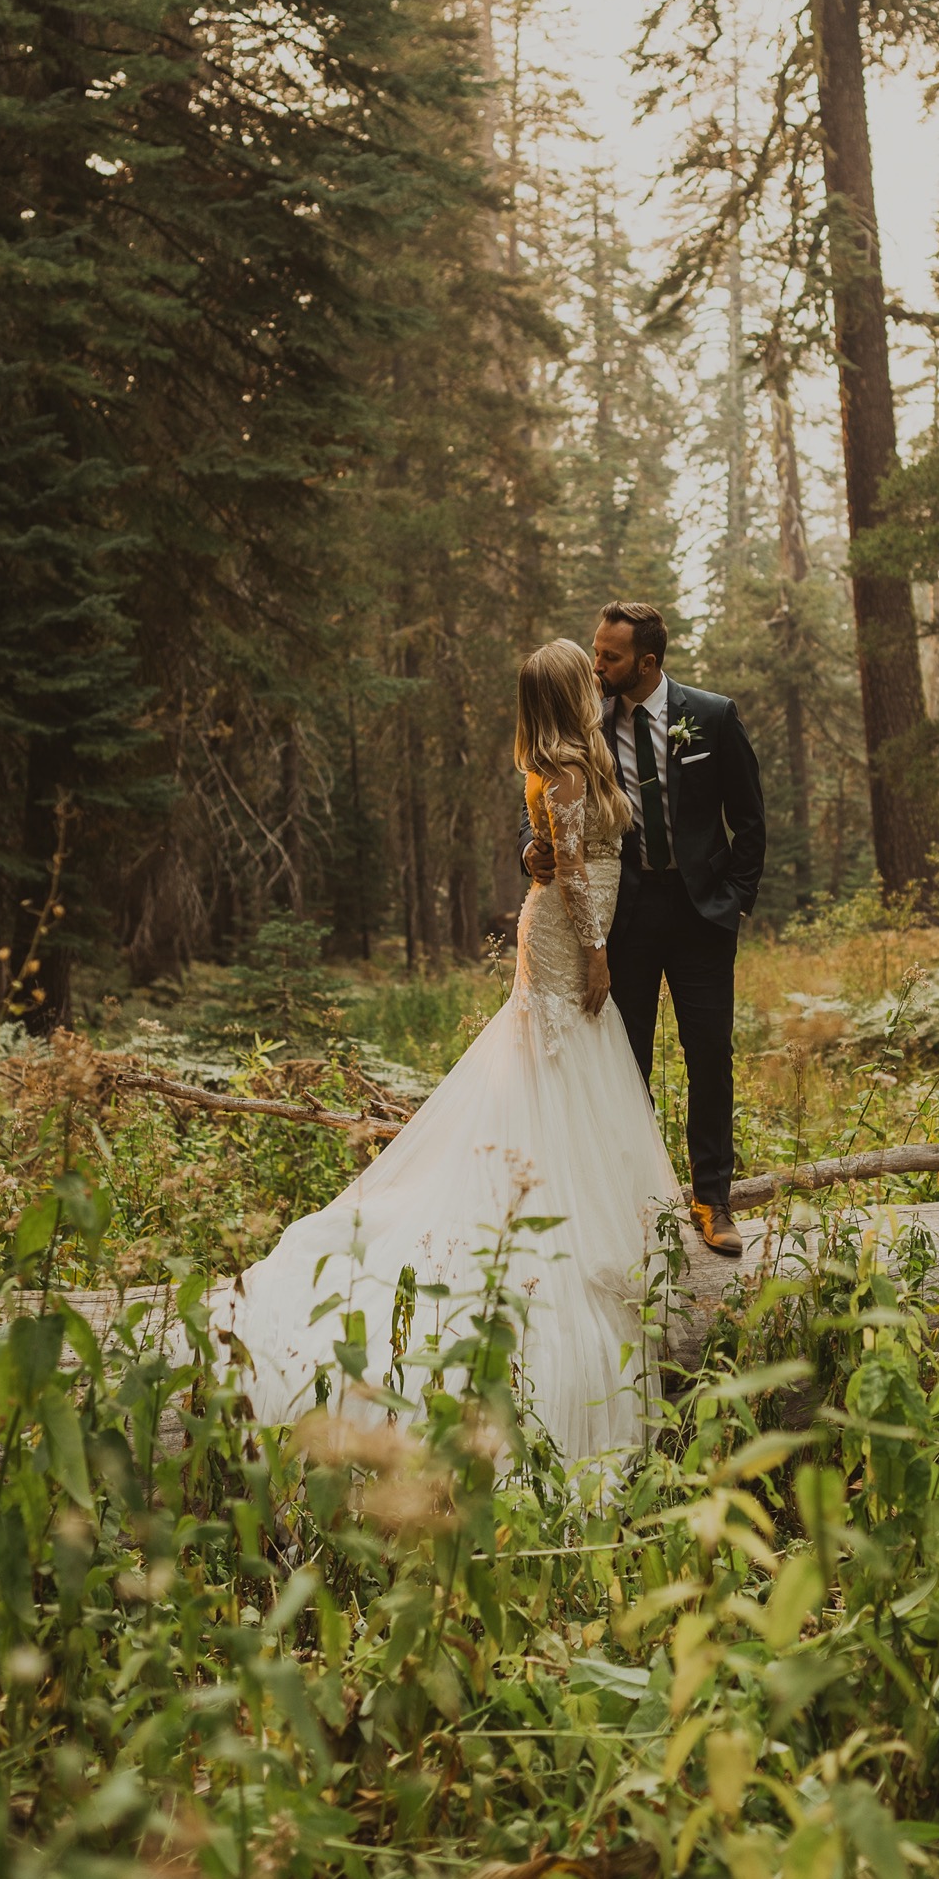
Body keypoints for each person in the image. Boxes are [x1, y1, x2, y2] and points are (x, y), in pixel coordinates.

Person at [212, 639, 680, 1461]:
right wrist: (599, 949)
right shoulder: (563, 770)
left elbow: (556, 850)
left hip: (569, 928)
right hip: (573, 936)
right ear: (569, 691)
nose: (596, 679)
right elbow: (568, 868)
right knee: (559, 1071)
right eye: (585, 674)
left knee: (568, 1070)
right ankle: (556, 1231)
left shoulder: (566, 758)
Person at [521, 601, 765, 1259]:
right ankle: (636, 1199)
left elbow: (749, 816)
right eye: (595, 653)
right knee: (623, 1063)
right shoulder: (588, 717)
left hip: (701, 916)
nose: (596, 665)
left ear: (647, 662)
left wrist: (735, 899)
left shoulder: (711, 716)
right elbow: (545, 786)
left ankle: (713, 1199)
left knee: (710, 1056)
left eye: (610, 657)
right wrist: (531, 849)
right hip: (621, 915)